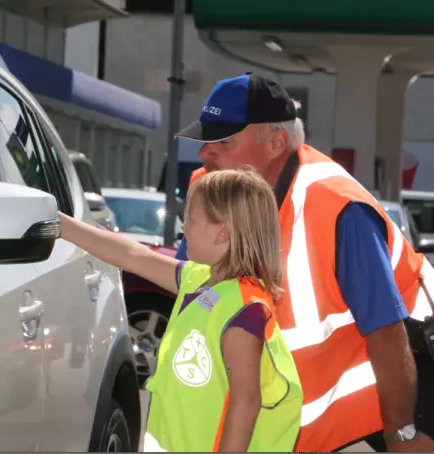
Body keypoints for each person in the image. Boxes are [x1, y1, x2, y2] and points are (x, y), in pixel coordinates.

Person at [173, 72, 434, 452]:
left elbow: (387, 333)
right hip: (292, 423)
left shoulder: (337, 206)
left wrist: (402, 434)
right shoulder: (213, 189)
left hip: (392, 405)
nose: (204, 154)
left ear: (277, 142)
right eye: (205, 141)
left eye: (223, 142)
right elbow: (188, 282)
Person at [59, 168, 303, 452]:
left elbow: (246, 403)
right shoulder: (198, 279)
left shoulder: (245, 311)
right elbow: (132, 255)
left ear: (222, 232)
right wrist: (62, 225)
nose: (183, 227)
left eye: (190, 218)